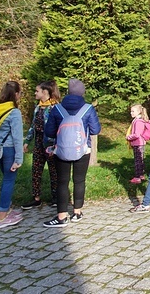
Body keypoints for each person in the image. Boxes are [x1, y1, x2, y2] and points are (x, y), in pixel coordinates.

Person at [43, 79, 101, 227]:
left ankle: (61, 217)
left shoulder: (57, 108)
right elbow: (95, 130)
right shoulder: (88, 109)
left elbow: (49, 131)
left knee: (62, 182)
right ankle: (77, 212)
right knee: (79, 180)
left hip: (61, 150)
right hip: (83, 150)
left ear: (68, 92)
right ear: (82, 93)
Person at [0, 81, 25, 229]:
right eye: (20, 93)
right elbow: (17, 137)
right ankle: (2, 217)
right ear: (16, 94)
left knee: (6, 179)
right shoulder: (14, 112)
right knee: (8, 181)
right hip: (9, 150)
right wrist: (19, 159)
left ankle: (8, 209)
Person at [22, 81, 60, 209]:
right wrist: (27, 141)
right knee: (36, 169)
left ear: (45, 92)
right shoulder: (38, 107)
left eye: (37, 91)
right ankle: (36, 198)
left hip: (51, 143)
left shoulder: (55, 107)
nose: (35, 93)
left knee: (54, 171)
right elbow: (33, 125)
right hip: (38, 142)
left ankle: (56, 197)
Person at [126, 104, 150, 184]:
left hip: (138, 143)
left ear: (139, 112)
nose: (131, 113)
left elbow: (137, 134)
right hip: (141, 143)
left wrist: (129, 137)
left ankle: (137, 177)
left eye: (133, 111)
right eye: (131, 111)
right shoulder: (139, 120)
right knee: (140, 160)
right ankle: (141, 175)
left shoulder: (138, 121)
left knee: (138, 161)